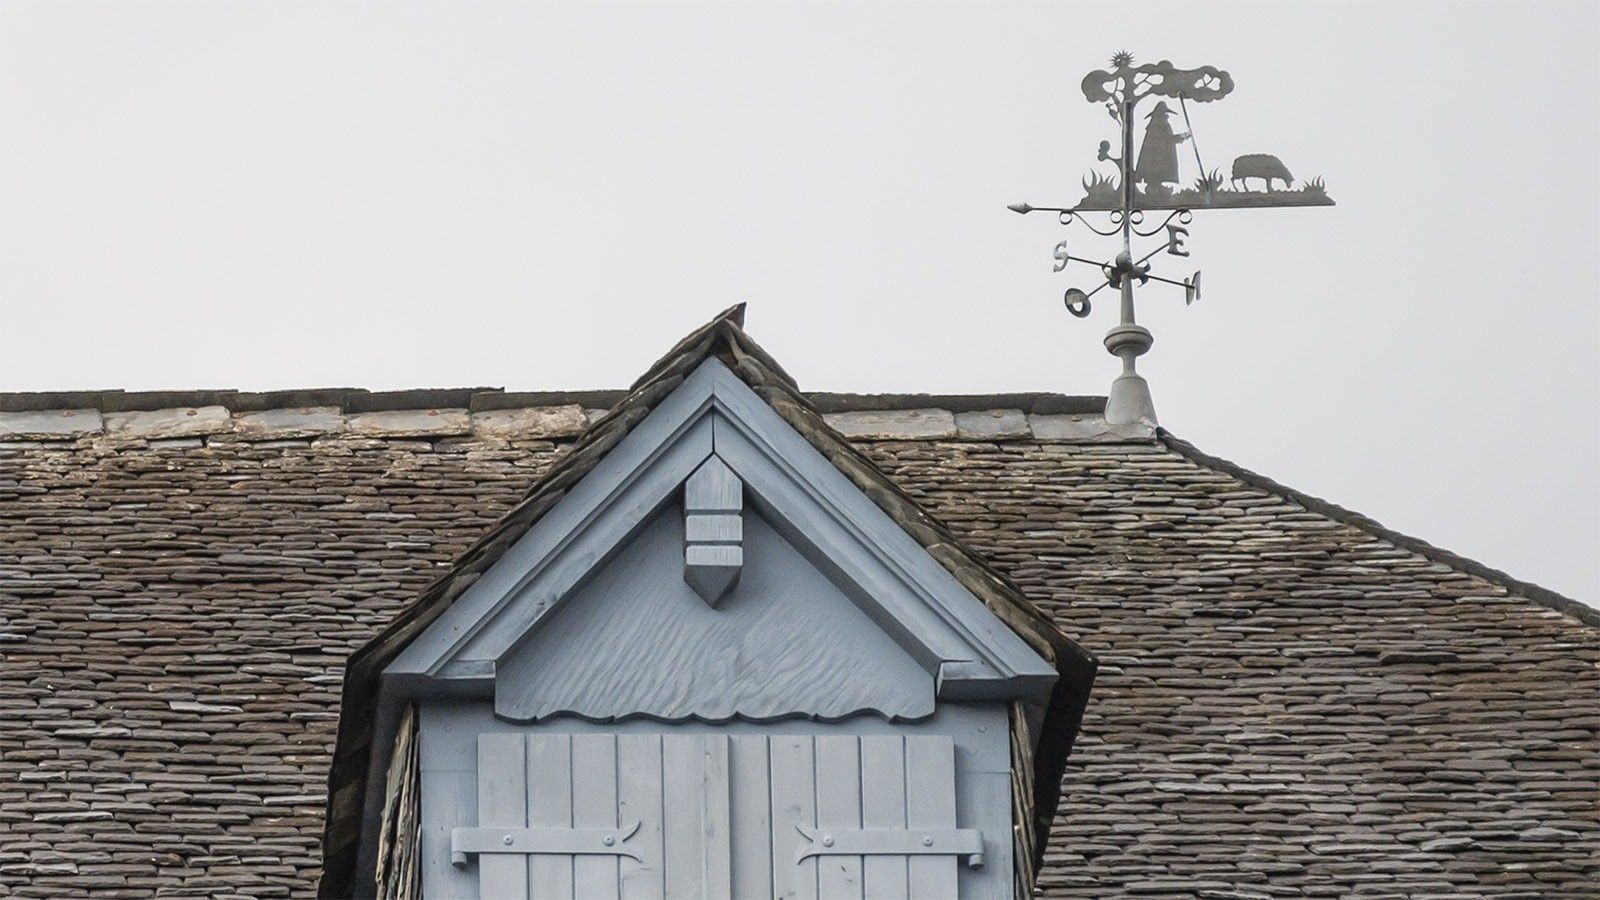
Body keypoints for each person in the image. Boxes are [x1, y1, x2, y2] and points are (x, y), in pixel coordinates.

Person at [1135, 101, 1189, 193]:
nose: (1165, 116)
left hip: (1158, 161)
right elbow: (1166, 140)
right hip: (1158, 162)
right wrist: (1183, 136)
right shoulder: (1160, 125)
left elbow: (1166, 140)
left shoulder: (1156, 125)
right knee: (1156, 178)